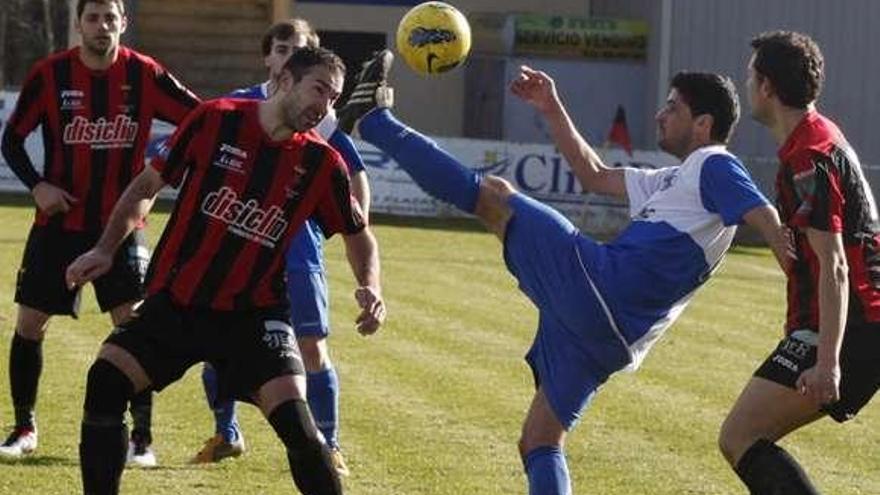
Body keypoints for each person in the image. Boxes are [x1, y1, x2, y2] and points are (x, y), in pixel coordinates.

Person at [342, 52, 789, 494]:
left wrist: (794, 268)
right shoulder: (675, 178)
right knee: (539, 441)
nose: (660, 114)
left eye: (673, 107)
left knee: (495, 196)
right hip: (612, 336)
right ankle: (372, 119)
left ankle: (373, 120)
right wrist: (552, 107)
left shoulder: (714, 162)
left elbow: (762, 212)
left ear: (703, 125)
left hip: (601, 287)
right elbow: (594, 175)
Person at [66, 45, 384, 495]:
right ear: (285, 81)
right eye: (319, 90)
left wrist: (370, 286)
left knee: (297, 423)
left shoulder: (321, 163)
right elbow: (147, 185)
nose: (325, 106)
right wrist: (104, 249)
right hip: (177, 303)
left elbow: (358, 233)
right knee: (106, 382)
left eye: (334, 98)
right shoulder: (216, 119)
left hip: (252, 315)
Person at [0, 0, 199, 466]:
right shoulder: (50, 75)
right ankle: (23, 427)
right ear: (79, 24)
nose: (102, 26)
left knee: (135, 325)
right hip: (58, 224)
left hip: (123, 226)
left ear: (123, 24)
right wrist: (38, 185)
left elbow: (199, 119)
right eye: (93, 17)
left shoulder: (145, 75)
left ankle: (141, 440)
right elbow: (11, 139)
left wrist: (161, 167)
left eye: (111, 17)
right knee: (30, 324)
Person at [190, 20, 374, 476]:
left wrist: (355, 223)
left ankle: (329, 444)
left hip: (298, 249)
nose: (292, 52)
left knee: (311, 350)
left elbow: (354, 174)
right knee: (214, 345)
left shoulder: (322, 116)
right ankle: (226, 432)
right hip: (234, 248)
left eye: (303, 47)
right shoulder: (236, 105)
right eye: (283, 46)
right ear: (269, 59)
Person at [718, 30, 880, 494]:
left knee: (741, 435)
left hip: (854, 329)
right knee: (743, 437)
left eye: (751, 77)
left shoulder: (807, 156)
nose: (747, 85)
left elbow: (836, 266)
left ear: (767, 86)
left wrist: (828, 362)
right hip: (856, 323)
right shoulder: (818, 137)